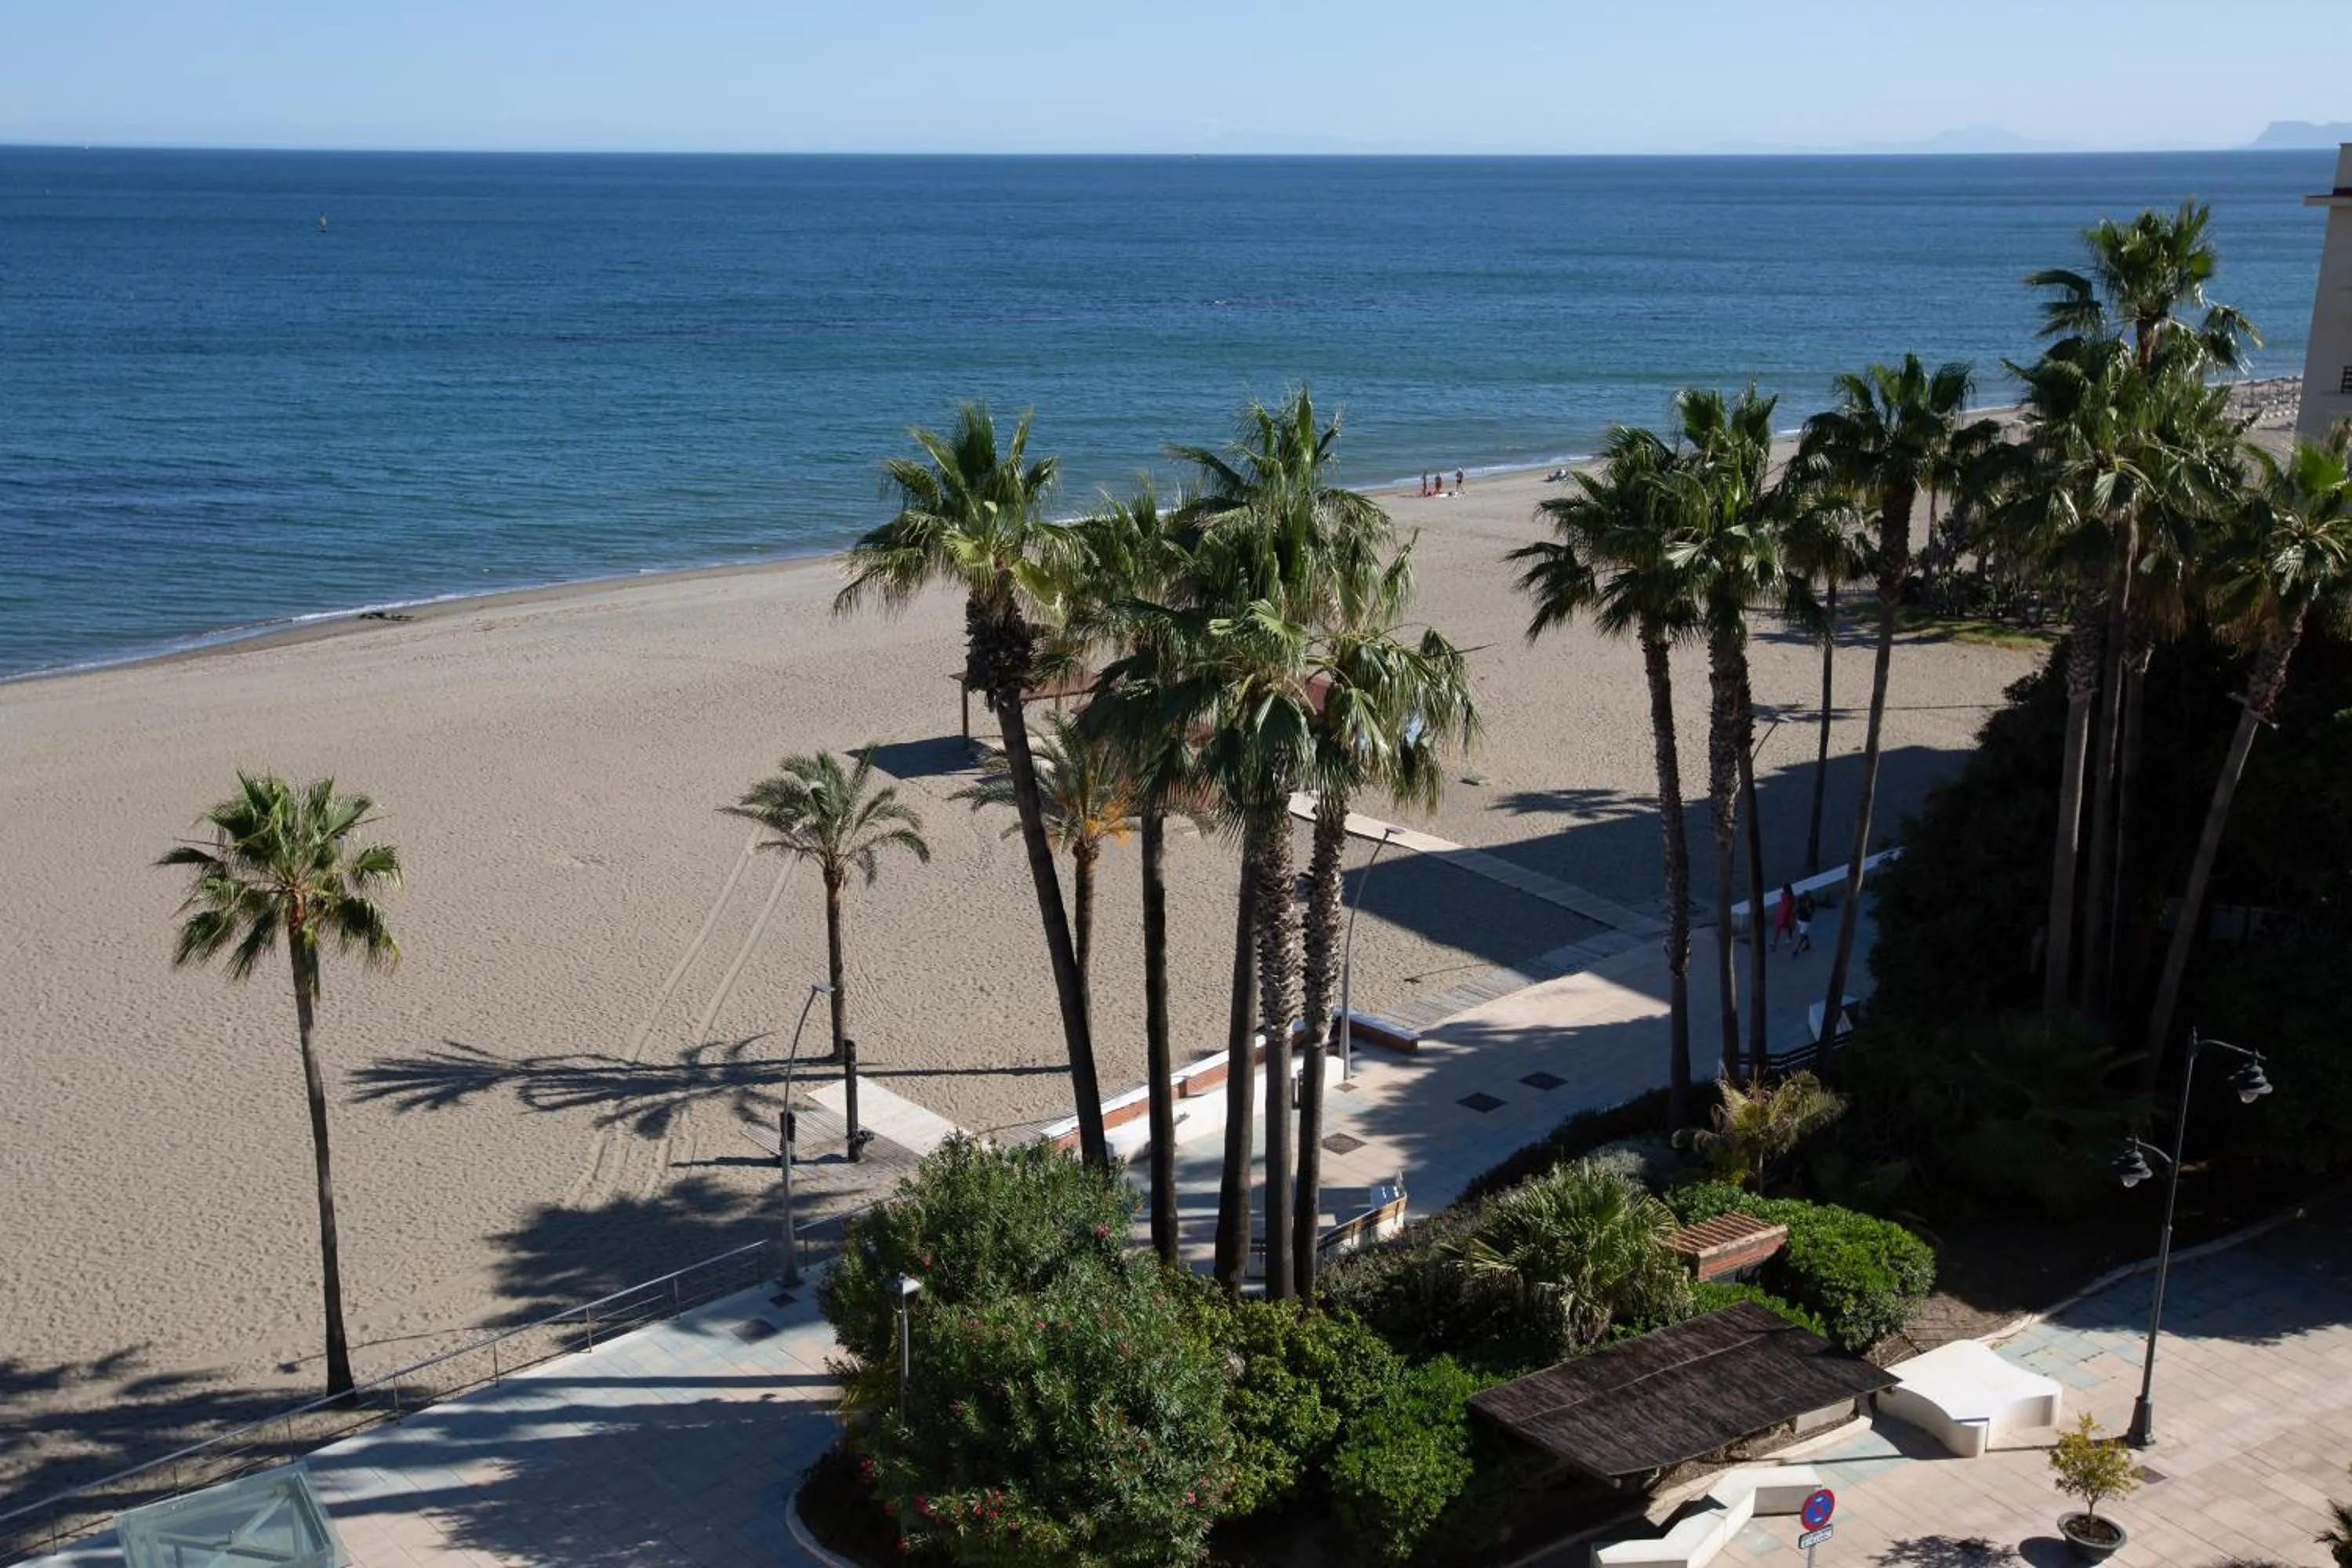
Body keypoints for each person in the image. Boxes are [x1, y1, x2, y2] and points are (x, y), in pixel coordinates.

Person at [1771, 882, 1796, 951]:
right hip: (1783, 912)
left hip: (1788, 913)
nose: (1784, 890)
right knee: (1779, 927)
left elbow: (1792, 905)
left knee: (1788, 926)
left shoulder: (1790, 897)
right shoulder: (1786, 895)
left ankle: (1789, 937)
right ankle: (1775, 941)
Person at [1792, 891, 1816, 956]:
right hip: (1800, 919)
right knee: (1804, 933)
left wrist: (1807, 906)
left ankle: (1796, 949)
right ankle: (1808, 944)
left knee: (1802, 936)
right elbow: (1797, 906)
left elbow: (1810, 913)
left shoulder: (1812, 902)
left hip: (1806, 921)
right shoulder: (1800, 899)